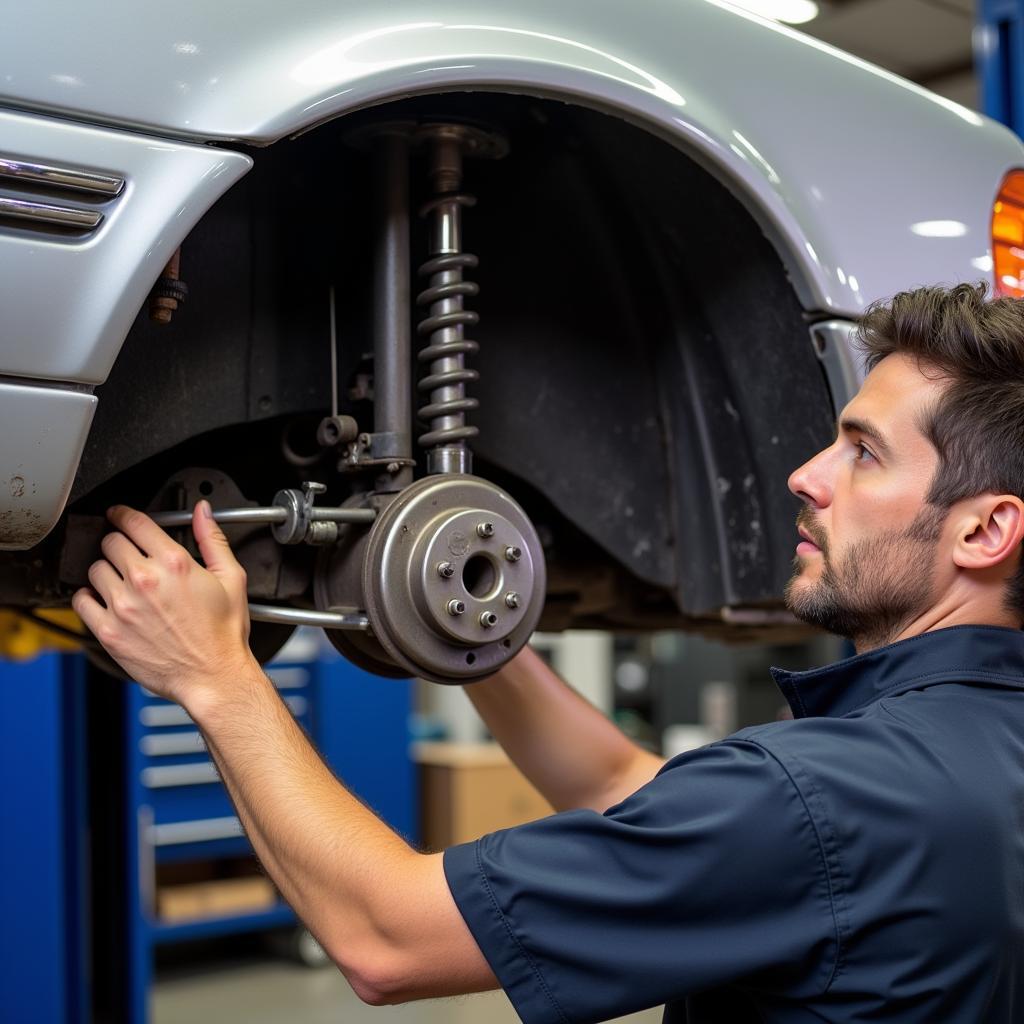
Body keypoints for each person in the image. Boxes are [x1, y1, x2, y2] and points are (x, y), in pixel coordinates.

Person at [74, 282, 1024, 1022]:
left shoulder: (820, 796)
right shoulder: (963, 764)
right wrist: (461, 628)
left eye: (863, 451)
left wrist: (214, 676)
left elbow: (384, 937)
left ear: (985, 531)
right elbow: (633, 785)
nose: (805, 475)